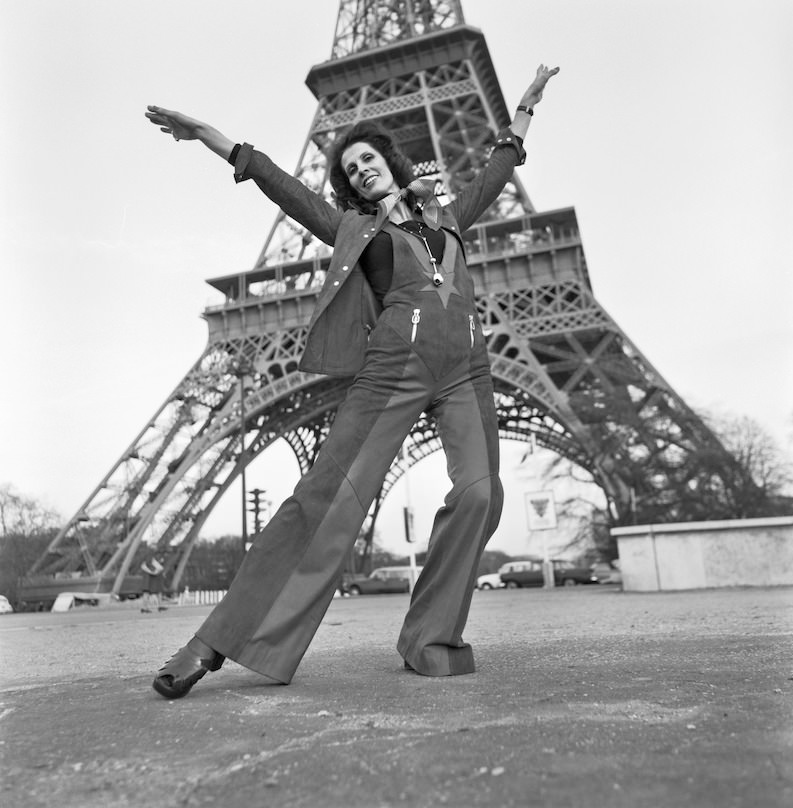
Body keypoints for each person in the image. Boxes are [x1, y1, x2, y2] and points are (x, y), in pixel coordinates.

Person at [144, 63, 559, 699]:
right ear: (351, 187)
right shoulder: (352, 229)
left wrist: (525, 109)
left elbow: (500, 167)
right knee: (325, 500)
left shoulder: (448, 214)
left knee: (482, 494)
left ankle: (429, 638)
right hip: (393, 369)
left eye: (369, 158)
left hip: (468, 368)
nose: (361, 168)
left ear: (391, 163)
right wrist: (212, 136)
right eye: (350, 168)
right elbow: (282, 187)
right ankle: (215, 641)